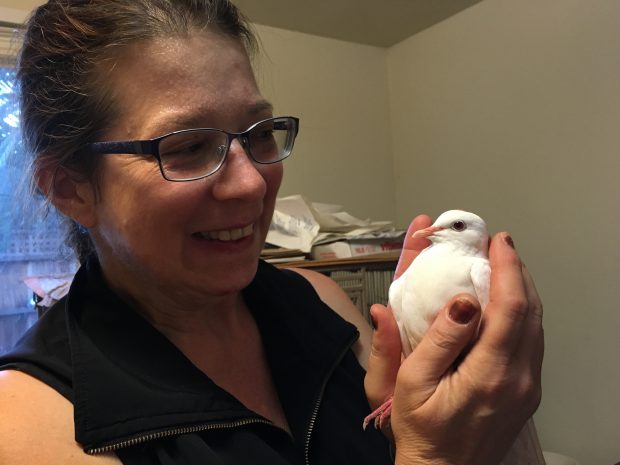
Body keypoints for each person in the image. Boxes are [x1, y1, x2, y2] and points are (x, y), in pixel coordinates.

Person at [0, 1, 544, 464]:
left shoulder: (321, 301)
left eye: (260, 133)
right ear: (72, 188)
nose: (251, 184)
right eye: (188, 146)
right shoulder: (29, 425)